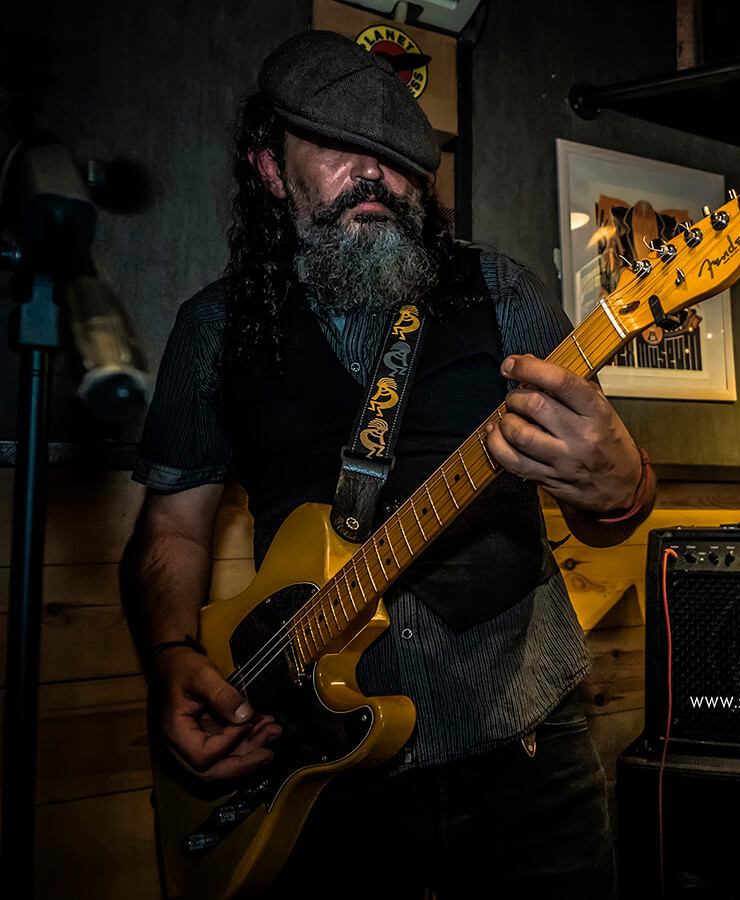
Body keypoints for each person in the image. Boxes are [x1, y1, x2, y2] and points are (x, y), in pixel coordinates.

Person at [119, 30, 654, 899]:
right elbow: (173, 527)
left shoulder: (504, 293)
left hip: (526, 760)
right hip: (313, 775)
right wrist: (171, 656)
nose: (373, 174)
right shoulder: (211, 331)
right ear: (269, 166)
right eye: (338, 146)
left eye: (396, 155)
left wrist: (622, 490)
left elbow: (604, 507)